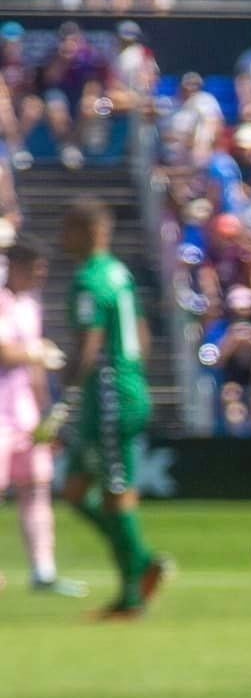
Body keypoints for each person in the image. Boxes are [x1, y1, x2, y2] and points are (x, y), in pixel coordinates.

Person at [61, 199, 171, 616]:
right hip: (121, 390)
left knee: (116, 494)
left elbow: (89, 345)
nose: (61, 238)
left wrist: (67, 388)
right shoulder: (119, 273)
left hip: (108, 398)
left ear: (88, 231)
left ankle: (133, 591)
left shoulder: (88, 279)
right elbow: (141, 334)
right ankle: (141, 562)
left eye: (67, 229)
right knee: (74, 491)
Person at [0, 237, 86, 597]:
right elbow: (4, 351)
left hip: (24, 414)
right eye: (35, 269)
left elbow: (35, 370)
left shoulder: (30, 305)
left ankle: (43, 570)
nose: (40, 275)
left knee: (36, 487)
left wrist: (44, 413)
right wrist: (36, 353)